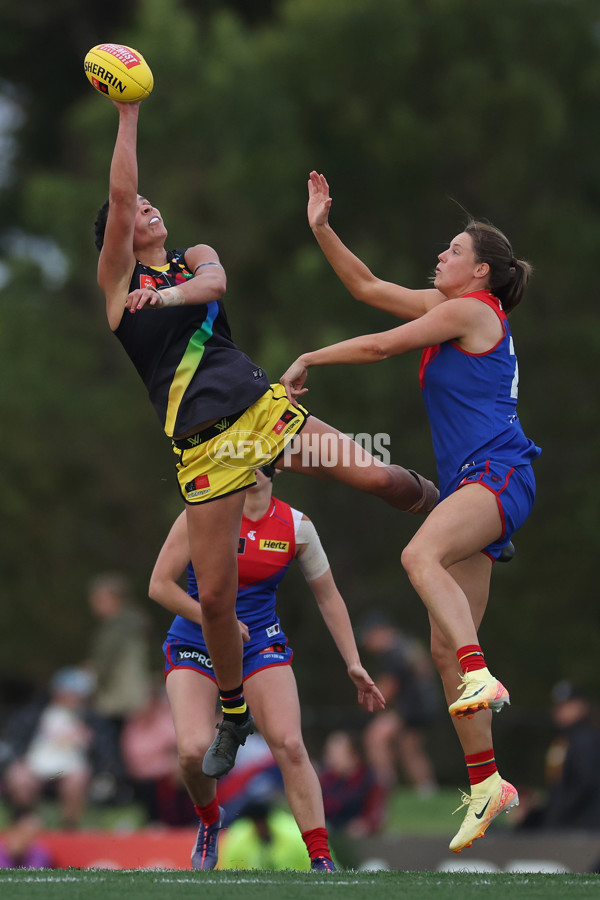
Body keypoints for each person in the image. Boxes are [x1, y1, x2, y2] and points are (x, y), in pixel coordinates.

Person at [95, 101, 438, 783]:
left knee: (384, 482)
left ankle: (457, 500)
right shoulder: (116, 284)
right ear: (114, 235)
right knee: (216, 599)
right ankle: (232, 711)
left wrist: (166, 299)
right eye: (135, 211)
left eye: (151, 204)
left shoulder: (193, 258)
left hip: (260, 413)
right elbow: (120, 192)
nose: (147, 210)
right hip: (206, 452)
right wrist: (128, 113)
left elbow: (215, 282)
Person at [279, 171, 541, 853]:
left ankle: (482, 671)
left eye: (452, 251)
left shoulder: (473, 309)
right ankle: (488, 784)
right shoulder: (446, 305)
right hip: (472, 484)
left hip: (498, 473)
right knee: (439, 647)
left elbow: (377, 345)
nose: (440, 257)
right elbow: (366, 288)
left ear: (480, 270)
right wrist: (321, 227)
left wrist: (310, 356)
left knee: (418, 557)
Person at [148, 464, 386, 871]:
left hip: (259, 644)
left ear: (276, 465)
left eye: (261, 457)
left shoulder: (296, 525)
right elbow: (160, 585)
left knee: (290, 745)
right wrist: (216, 619)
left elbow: (328, 597)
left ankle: (321, 858)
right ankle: (209, 822)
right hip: (195, 642)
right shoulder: (202, 511)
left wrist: (354, 662)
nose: (252, 466)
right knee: (191, 751)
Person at [1, 667, 119, 829]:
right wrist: (17, 762)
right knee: (19, 779)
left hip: (63, 772)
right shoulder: (33, 714)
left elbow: (106, 752)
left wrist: (92, 741)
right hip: (35, 769)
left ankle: (68, 828)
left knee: (75, 781)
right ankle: (24, 824)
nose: (74, 698)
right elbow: (14, 742)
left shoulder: (92, 720)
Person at [358, 612, 440, 798]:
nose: (368, 644)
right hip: (423, 704)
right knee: (410, 749)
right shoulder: (408, 645)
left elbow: (389, 686)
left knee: (375, 737)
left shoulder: (392, 650)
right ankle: (427, 791)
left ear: (379, 632)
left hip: (411, 707)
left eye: (369, 637)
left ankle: (385, 788)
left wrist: (369, 701)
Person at [87, 572, 153, 736]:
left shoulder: (117, 628)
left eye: (99, 599)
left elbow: (105, 662)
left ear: (114, 598)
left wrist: (92, 677)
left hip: (119, 698)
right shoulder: (135, 623)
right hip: (135, 696)